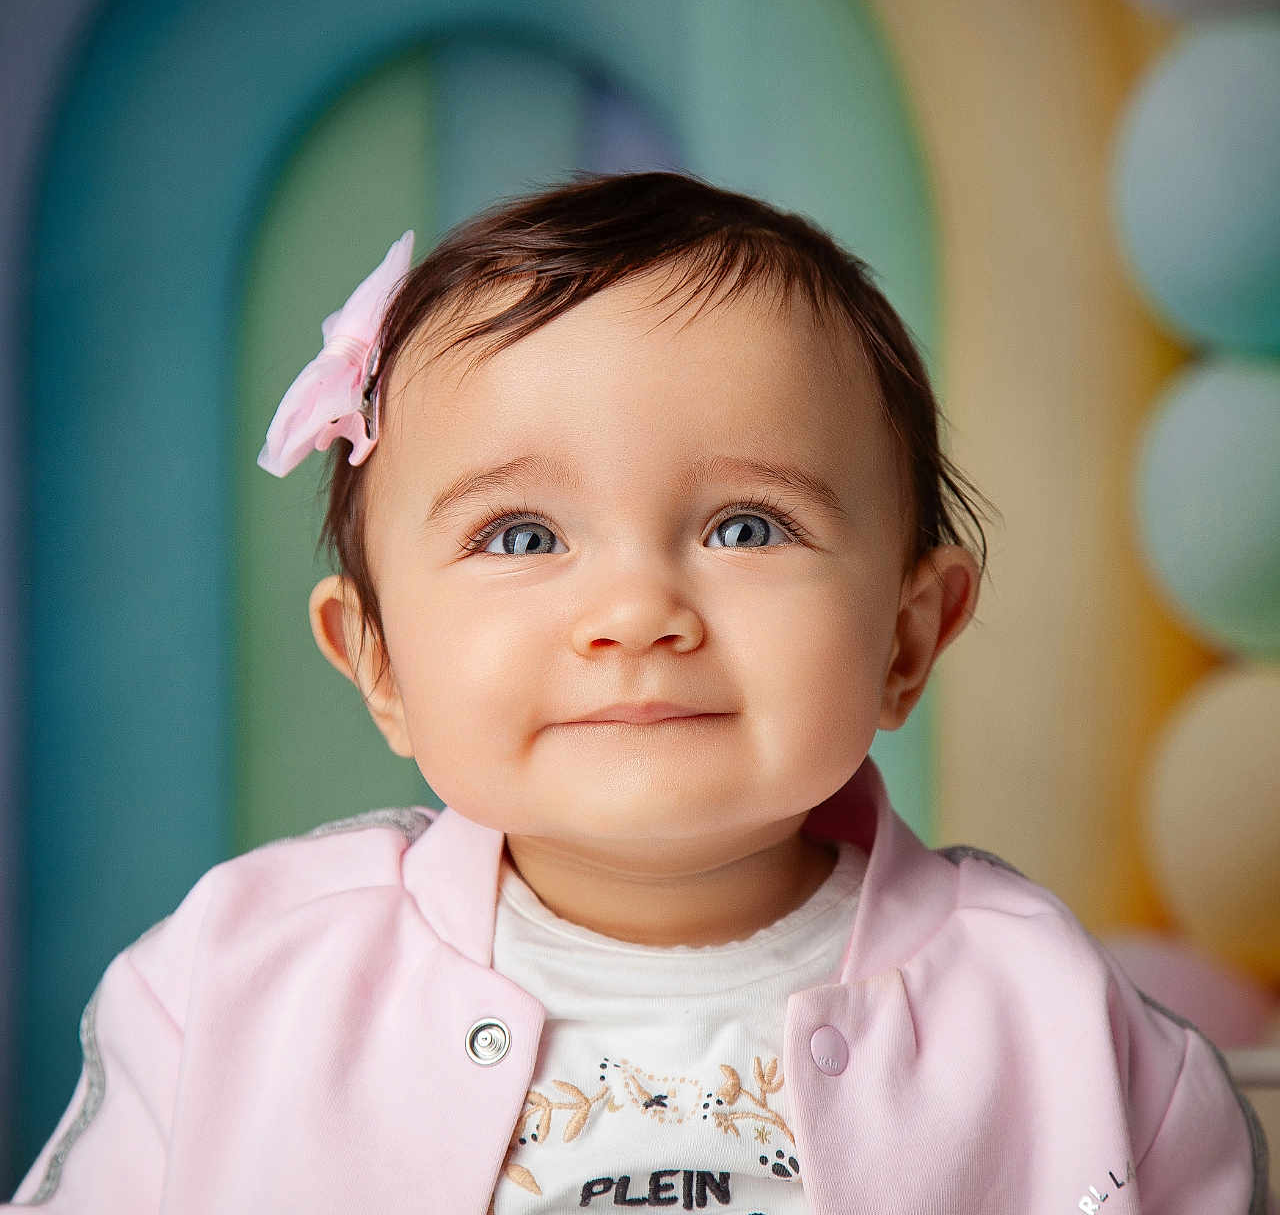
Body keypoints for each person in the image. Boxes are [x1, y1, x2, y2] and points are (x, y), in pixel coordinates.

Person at [8, 172, 1269, 1213]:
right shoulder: (236, 985)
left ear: (906, 635)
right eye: (518, 535)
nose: (634, 614)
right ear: (376, 661)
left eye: (743, 525)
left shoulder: (1049, 1022)